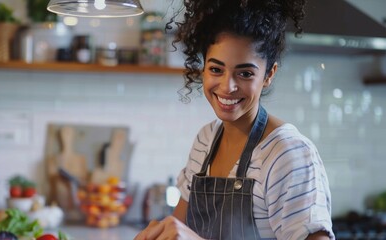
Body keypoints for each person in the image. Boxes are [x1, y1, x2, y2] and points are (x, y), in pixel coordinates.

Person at [135, 0, 334, 239]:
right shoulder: (206, 140)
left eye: (245, 73)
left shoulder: (286, 154)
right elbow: (178, 229)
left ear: (269, 75)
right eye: (216, 69)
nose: (228, 87)